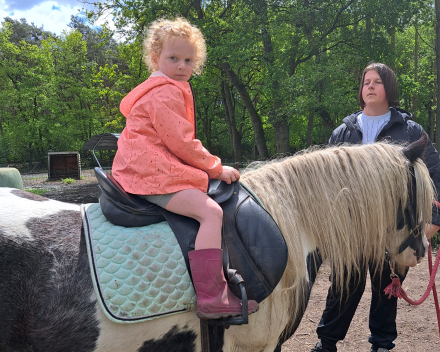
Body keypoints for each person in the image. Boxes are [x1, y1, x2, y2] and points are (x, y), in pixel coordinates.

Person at [111, 17, 259, 319]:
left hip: (141, 165)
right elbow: (181, 143)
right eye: (173, 58)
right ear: (156, 59)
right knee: (211, 212)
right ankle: (212, 295)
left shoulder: (158, 88)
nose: (182, 66)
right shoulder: (165, 92)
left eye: (188, 60)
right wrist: (216, 168)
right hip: (150, 172)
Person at [311, 62, 440, 352]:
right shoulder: (342, 133)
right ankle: (326, 343)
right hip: (352, 227)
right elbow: (326, 183)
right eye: (366, 81)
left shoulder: (410, 131)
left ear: (389, 88)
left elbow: (436, 174)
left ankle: (382, 345)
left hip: (394, 226)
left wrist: (434, 220)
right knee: (344, 287)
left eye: (377, 82)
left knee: (387, 290)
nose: (369, 86)